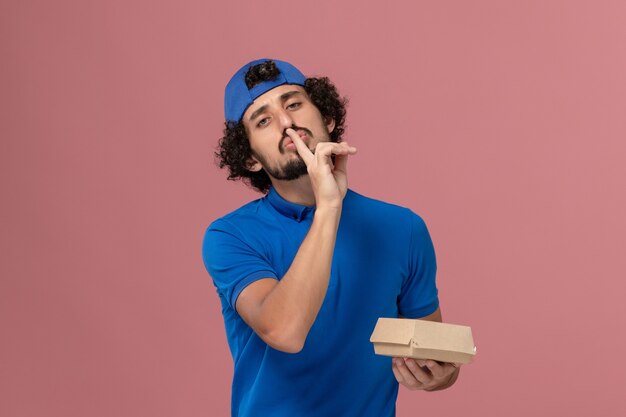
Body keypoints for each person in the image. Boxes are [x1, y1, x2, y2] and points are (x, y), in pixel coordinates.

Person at [202, 58, 460, 417]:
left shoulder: (402, 227)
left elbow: (439, 353)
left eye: (294, 104)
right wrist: (328, 207)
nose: (287, 122)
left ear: (327, 119)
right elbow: (285, 331)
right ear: (250, 159)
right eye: (263, 120)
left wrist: (439, 375)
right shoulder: (229, 237)